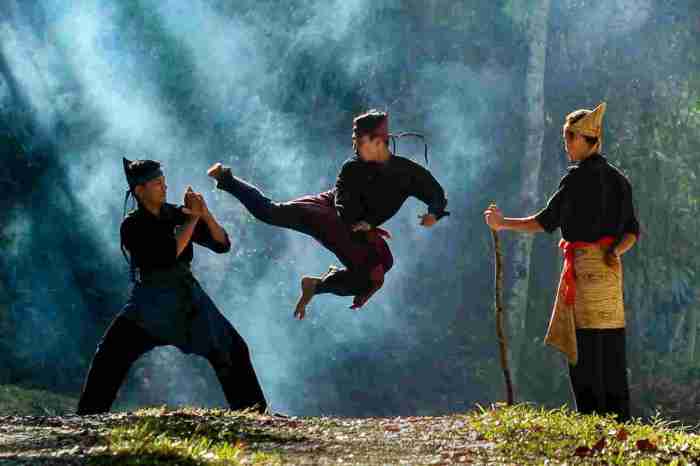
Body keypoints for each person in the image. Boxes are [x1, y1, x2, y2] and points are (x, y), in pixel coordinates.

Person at [208, 109, 449, 319]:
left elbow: (433, 190)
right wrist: (366, 226)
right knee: (272, 212)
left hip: (355, 226)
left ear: (378, 142)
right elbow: (344, 205)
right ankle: (226, 178)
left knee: (382, 265)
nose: (355, 146)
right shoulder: (352, 167)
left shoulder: (404, 172)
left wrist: (434, 213)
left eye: (360, 141)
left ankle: (317, 286)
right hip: (331, 213)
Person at [484, 103, 640, 421]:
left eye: (571, 137)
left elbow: (544, 222)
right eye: (565, 136)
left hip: (584, 271)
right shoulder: (620, 180)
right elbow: (633, 232)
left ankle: (593, 418)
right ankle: (619, 419)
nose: (566, 143)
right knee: (610, 345)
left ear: (588, 140)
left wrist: (502, 223)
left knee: (584, 346)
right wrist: (614, 253)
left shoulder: (576, 180)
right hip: (610, 276)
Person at [76, 157, 267, 414]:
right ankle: (88, 417)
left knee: (233, 349)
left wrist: (205, 214)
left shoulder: (176, 213)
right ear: (140, 190)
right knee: (109, 356)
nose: (164, 188)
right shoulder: (132, 225)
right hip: (150, 303)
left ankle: (253, 414)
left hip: (187, 298)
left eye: (164, 182)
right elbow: (166, 254)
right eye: (157, 184)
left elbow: (222, 244)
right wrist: (191, 221)